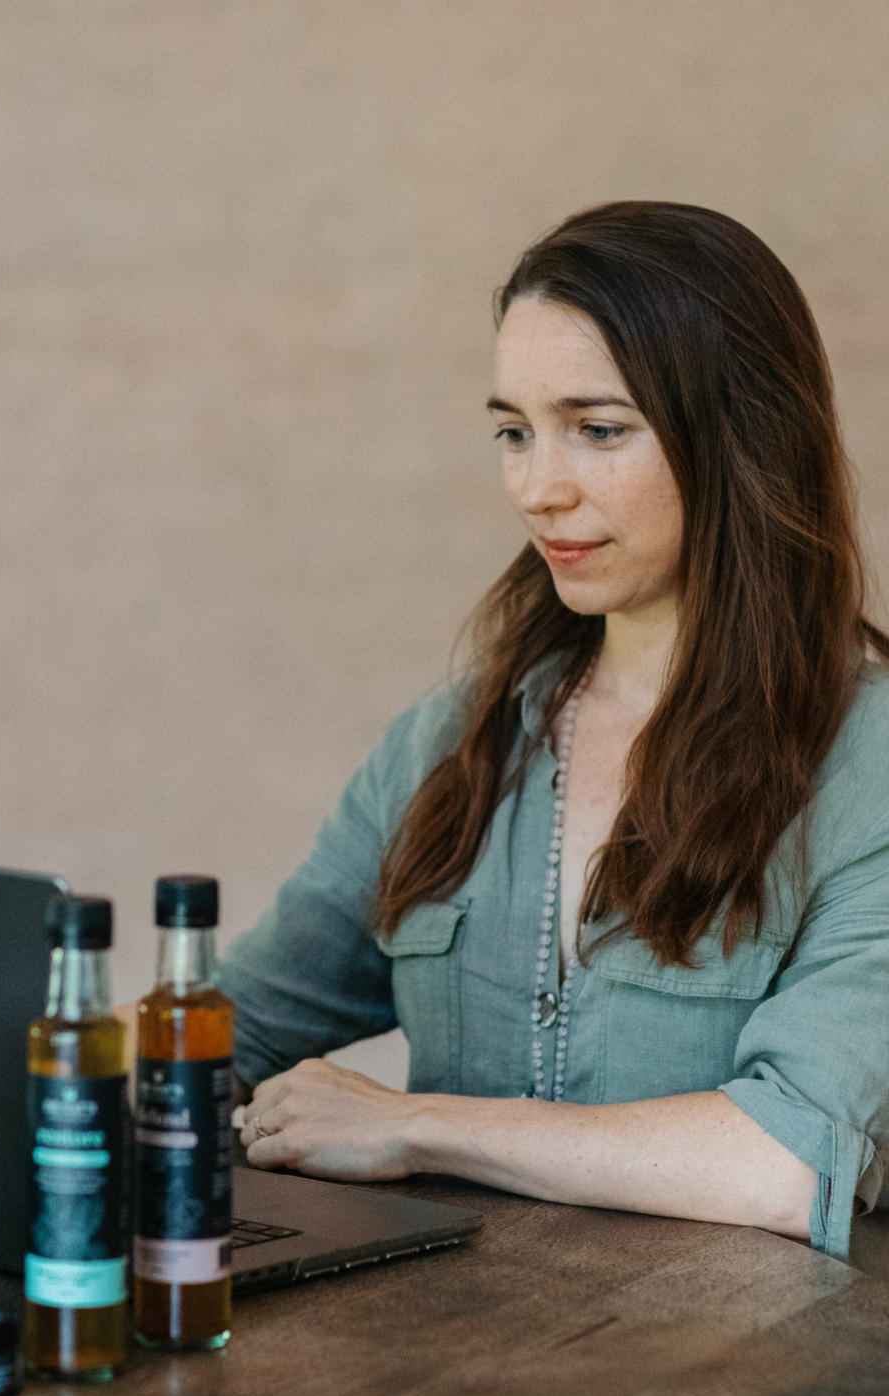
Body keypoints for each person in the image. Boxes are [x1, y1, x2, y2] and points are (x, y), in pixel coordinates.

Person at [221, 201, 889, 1262]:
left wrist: (413, 1122)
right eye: (514, 431)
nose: (539, 488)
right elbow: (231, 1030)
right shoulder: (447, 743)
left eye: (599, 428)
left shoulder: (868, 768)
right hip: (436, 1385)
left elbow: (791, 1158)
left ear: (742, 433)